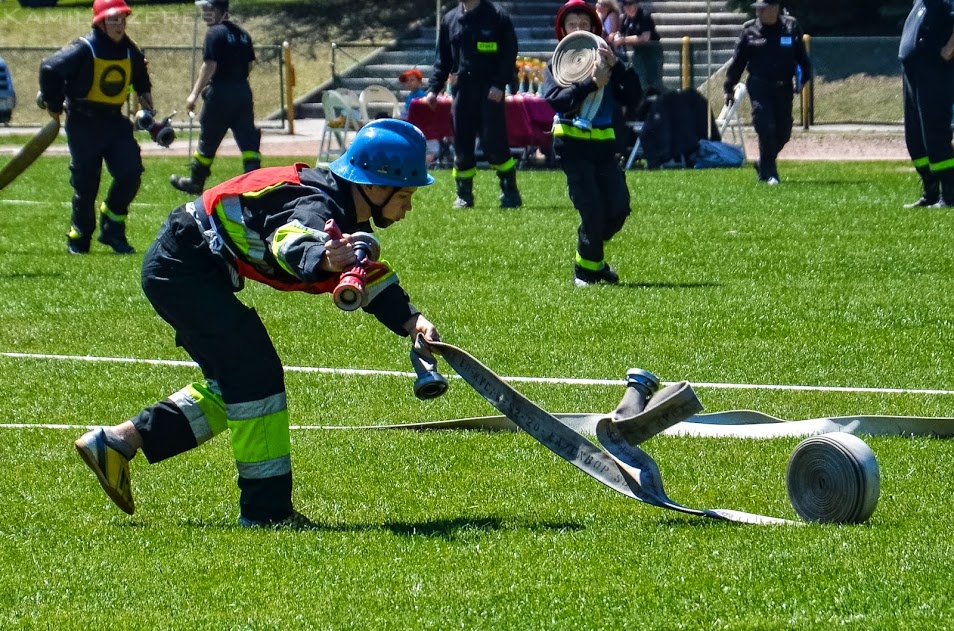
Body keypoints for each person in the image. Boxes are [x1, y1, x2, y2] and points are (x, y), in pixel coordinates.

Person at [73, 119, 442, 529]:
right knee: (254, 375)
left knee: (238, 382)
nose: (408, 206)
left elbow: (365, 276)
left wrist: (413, 321)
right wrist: (321, 257)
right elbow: (290, 238)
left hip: (192, 266)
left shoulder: (342, 212)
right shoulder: (316, 206)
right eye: (404, 194)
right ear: (373, 187)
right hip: (181, 267)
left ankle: (118, 442)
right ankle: (266, 513)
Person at [38, 0, 154, 255]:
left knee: (130, 172)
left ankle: (112, 228)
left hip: (114, 122)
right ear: (100, 23)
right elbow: (49, 68)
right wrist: (54, 104)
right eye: (113, 19)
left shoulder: (129, 51)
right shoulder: (84, 48)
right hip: (83, 123)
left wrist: (147, 103)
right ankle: (79, 238)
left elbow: (141, 78)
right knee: (86, 184)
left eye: (122, 19)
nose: (119, 25)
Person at [543, 0, 641, 287]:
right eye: (572, 25)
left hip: (604, 148)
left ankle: (593, 263)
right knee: (592, 209)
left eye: (584, 24)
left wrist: (617, 66)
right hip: (571, 146)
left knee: (618, 208)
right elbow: (556, 101)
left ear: (594, 29)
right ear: (563, 30)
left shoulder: (608, 61)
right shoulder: (557, 64)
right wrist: (590, 84)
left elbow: (634, 97)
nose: (578, 29)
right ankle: (584, 272)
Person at [423, 0, 522, 209]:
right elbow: (443, 59)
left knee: (494, 141)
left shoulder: (498, 16)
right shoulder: (450, 19)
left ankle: (510, 191)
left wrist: (499, 84)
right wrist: (433, 89)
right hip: (462, 90)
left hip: (490, 91)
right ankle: (464, 194)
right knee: (462, 143)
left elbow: (509, 54)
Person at [170, 0, 259, 195]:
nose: (204, 14)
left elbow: (209, 65)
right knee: (248, 140)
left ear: (217, 10)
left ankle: (196, 181)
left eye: (207, 10)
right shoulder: (243, 35)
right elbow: (250, 65)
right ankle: (255, 183)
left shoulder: (214, 33)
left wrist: (194, 94)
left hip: (220, 93)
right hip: (243, 91)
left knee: (208, 138)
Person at [723, 0, 811, 185]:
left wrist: (803, 79)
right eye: (758, 8)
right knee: (765, 125)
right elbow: (738, 61)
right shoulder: (750, 30)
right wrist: (728, 87)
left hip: (783, 86)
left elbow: (802, 58)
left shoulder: (791, 27)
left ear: (775, 8)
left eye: (763, 8)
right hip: (759, 85)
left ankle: (762, 162)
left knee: (784, 132)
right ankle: (771, 173)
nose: (759, 12)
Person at [899, 0, 954, 208]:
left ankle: (950, 194)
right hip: (913, 69)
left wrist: (948, 49)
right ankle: (930, 191)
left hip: (934, 70)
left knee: (935, 134)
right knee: (914, 137)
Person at [613, 0, 663, 94]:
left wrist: (623, 40)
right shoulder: (625, 18)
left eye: (630, 3)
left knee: (654, 83)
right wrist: (616, 37)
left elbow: (645, 37)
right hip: (638, 53)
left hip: (652, 53)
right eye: (625, 4)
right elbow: (620, 33)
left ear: (637, 4)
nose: (628, 7)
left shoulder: (644, 16)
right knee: (641, 81)